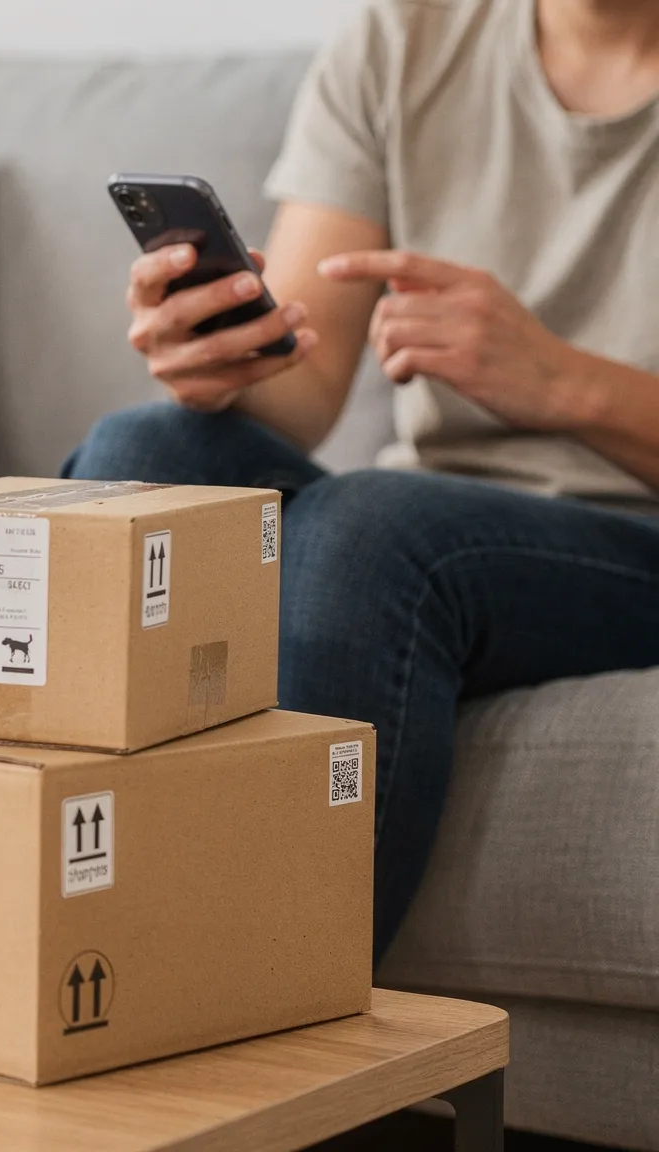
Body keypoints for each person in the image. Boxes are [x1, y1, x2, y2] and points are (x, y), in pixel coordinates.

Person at [62, 0, 659, 959]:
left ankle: (283, 1054)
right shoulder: (405, 40)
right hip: (448, 518)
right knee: (144, 456)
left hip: (628, 537)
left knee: (371, 530)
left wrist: (561, 382)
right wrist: (213, 357)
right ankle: (87, 960)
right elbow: (300, 388)